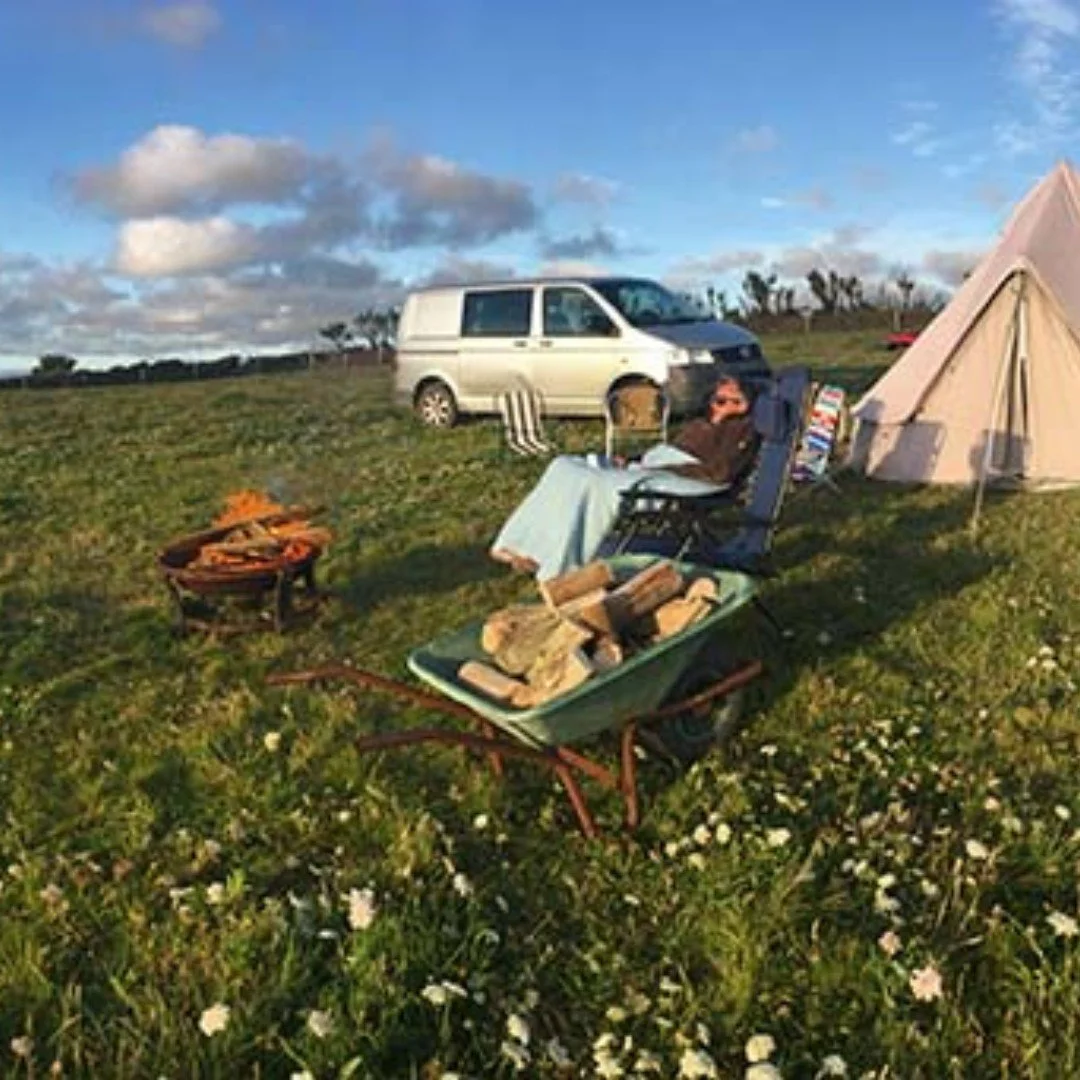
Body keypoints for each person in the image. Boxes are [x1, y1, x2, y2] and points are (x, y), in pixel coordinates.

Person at [490, 376, 758, 579]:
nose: (725, 406)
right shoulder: (700, 423)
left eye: (735, 401)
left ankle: (562, 567)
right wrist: (633, 461)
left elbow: (719, 473)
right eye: (720, 400)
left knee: (594, 483)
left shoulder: (744, 430)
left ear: (748, 404)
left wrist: (657, 470)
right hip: (653, 466)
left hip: (686, 481)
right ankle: (520, 545)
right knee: (563, 466)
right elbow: (668, 451)